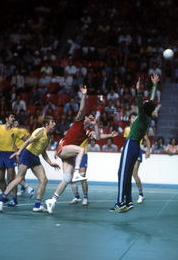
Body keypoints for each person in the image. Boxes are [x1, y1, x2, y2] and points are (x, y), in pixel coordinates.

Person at [45, 85, 100, 214]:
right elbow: (81, 109)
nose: (90, 120)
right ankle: (76, 172)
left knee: (66, 179)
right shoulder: (79, 120)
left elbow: (97, 137)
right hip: (64, 148)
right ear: (85, 118)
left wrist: (96, 125)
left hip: (68, 153)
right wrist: (84, 95)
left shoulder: (89, 131)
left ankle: (52, 200)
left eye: (92, 119)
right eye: (89, 118)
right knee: (81, 150)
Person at [110, 73, 159, 213]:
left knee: (122, 174)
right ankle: (128, 201)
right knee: (127, 174)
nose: (143, 102)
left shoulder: (143, 115)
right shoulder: (148, 115)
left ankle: (120, 202)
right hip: (136, 146)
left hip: (130, 144)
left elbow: (140, 102)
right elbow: (151, 100)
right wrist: (154, 85)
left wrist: (138, 91)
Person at [0, 116, 60, 212]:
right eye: (52, 122)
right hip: (27, 154)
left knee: (44, 180)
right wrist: (19, 152)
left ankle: (37, 206)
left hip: (35, 158)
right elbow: (28, 141)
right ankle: (1, 200)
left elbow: (43, 151)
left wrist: (50, 163)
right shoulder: (39, 131)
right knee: (19, 178)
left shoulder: (48, 136)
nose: (54, 124)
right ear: (46, 124)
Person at [0, 113, 26, 203]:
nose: (13, 119)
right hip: (0, 155)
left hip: (10, 155)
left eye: (14, 117)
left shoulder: (16, 130)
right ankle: (5, 195)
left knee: (11, 178)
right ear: (6, 119)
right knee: (0, 178)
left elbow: (26, 140)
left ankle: (14, 198)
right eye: (12, 117)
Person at [123, 112, 151, 204]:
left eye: (135, 118)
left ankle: (141, 194)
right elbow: (127, 141)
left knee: (134, 173)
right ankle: (125, 194)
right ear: (129, 119)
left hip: (137, 151)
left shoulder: (140, 129)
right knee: (126, 174)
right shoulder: (127, 129)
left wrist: (148, 150)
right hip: (128, 152)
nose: (133, 119)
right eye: (132, 117)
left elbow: (147, 140)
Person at [13, 120, 35, 198]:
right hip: (17, 153)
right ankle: (24, 188)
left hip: (24, 152)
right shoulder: (12, 133)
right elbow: (13, 145)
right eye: (14, 123)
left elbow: (30, 140)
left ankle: (28, 189)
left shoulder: (24, 131)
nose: (16, 124)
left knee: (18, 175)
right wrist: (17, 154)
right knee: (20, 174)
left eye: (17, 123)